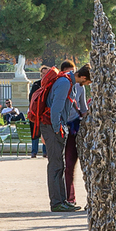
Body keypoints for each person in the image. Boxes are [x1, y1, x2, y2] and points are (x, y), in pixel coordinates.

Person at [31, 62, 77, 212]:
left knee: (60, 165)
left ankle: (62, 200)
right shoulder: (65, 82)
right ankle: (57, 203)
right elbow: (56, 109)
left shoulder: (66, 82)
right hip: (52, 126)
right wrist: (57, 129)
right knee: (55, 165)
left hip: (54, 126)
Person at [54, 65, 91, 207]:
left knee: (82, 165)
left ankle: (82, 199)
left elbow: (83, 107)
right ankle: (70, 198)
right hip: (65, 127)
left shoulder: (80, 87)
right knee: (68, 165)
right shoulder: (63, 83)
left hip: (76, 128)